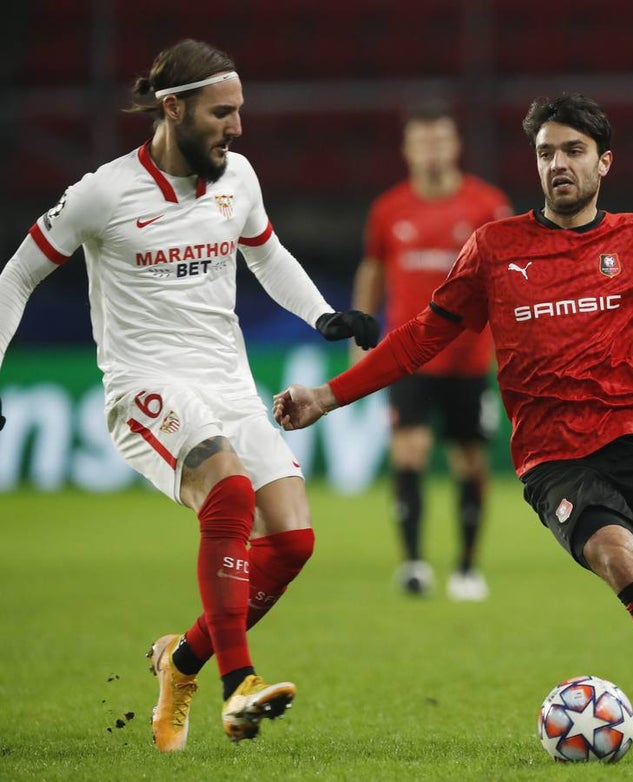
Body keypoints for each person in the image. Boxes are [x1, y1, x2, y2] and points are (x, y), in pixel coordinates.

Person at [275, 93, 633, 748]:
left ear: (603, 162)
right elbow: (420, 337)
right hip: (556, 461)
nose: (557, 164)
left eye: (573, 151)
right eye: (545, 153)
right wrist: (327, 396)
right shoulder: (494, 249)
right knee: (620, 557)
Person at [0, 39, 379, 750]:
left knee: (293, 540)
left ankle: (179, 664)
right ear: (172, 109)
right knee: (229, 493)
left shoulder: (238, 178)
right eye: (222, 113)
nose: (237, 127)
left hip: (228, 381)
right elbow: (14, 278)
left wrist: (322, 314)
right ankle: (239, 686)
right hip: (145, 385)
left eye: (239, 112)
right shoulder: (101, 194)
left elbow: (265, 253)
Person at [350, 101, 512, 600]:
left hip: (468, 357)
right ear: (407, 150)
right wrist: (361, 337)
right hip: (408, 355)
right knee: (410, 452)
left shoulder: (487, 206)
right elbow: (373, 270)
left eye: (440, 140)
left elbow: (508, 278)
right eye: (422, 142)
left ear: (455, 145)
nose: (432, 151)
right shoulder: (388, 210)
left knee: (469, 460)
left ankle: (466, 566)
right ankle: (415, 563)